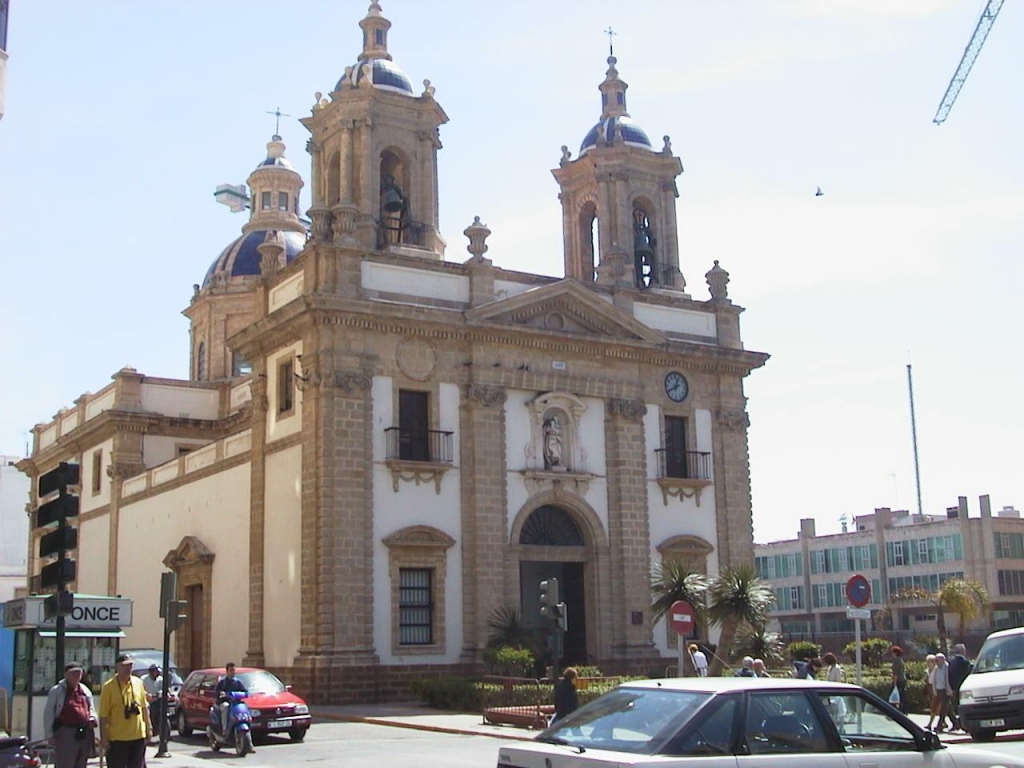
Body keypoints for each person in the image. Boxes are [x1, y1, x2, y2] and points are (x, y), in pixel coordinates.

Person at [99, 652, 152, 768]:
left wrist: (149, 728)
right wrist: (103, 737)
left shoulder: (138, 683)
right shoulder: (109, 687)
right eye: (124, 666)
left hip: (137, 736)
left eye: (130, 665)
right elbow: (103, 715)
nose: (128, 668)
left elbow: (144, 707)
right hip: (117, 739)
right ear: (117, 667)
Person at [44, 662, 97, 768]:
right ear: (66, 675)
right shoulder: (57, 691)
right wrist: (49, 735)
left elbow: (91, 707)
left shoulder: (85, 690)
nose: (76, 676)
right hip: (66, 733)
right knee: (65, 764)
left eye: (79, 673)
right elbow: (49, 713)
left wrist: (92, 718)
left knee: (81, 764)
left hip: (84, 733)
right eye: (73, 673)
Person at [214, 662, 248, 738]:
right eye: (231, 670)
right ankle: (225, 730)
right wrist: (222, 694)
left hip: (235, 703)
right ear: (227, 671)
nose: (233, 672)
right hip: (224, 702)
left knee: (243, 706)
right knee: (226, 707)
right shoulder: (223, 682)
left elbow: (245, 692)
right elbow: (217, 692)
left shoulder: (238, 682)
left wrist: (242, 694)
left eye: (234, 670)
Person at [948, 643, 973, 731]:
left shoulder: (951, 662)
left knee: (955, 707)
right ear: (963, 651)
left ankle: (957, 723)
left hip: (953, 687)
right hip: (964, 687)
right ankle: (962, 725)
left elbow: (949, 675)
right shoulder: (966, 663)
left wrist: (951, 687)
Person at [931, 653, 954, 732]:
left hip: (946, 690)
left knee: (943, 709)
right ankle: (956, 723)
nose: (936, 662)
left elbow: (948, 679)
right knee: (948, 708)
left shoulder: (947, 667)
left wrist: (949, 690)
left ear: (943, 660)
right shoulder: (936, 668)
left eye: (937, 660)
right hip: (939, 689)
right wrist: (934, 690)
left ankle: (939, 725)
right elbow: (934, 680)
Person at [142, 664, 163, 742]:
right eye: (156, 672)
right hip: (147, 701)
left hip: (157, 700)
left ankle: (162, 732)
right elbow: (141, 690)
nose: (157, 673)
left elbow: (163, 689)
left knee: (161, 713)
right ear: (151, 672)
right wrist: (147, 695)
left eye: (158, 672)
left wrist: (160, 693)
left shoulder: (161, 679)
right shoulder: (144, 679)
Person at [890, 645, 908, 714]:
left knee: (895, 695)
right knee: (902, 695)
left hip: (898, 680)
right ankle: (904, 709)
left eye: (892, 652)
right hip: (903, 679)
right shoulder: (900, 660)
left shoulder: (896, 661)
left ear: (895, 653)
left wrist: (894, 683)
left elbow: (896, 673)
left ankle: (895, 709)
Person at [924, 653, 937, 727]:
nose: (928, 663)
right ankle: (943, 722)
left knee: (934, 707)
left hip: (936, 688)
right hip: (930, 688)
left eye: (930, 661)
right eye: (928, 661)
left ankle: (930, 724)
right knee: (936, 707)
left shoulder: (937, 670)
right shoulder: (927, 671)